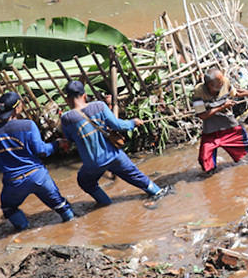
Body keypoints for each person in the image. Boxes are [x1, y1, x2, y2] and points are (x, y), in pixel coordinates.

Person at [60, 80, 169, 208]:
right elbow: (117, 125)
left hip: (92, 164)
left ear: (67, 99)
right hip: (113, 155)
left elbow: (70, 139)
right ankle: (157, 192)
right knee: (135, 175)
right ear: (84, 96)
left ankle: (105, 203)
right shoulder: (99, 106)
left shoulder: (66, 118)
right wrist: (133, 123)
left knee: (85, 182)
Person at [0, 91, 74, 231]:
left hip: (14, 181)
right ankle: (74, 227)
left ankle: (23, 230)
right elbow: (41, 151)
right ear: (17, 109)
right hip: (38, 176)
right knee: (61, 206)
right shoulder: (28, 125)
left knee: (8, 208)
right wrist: (57, 143)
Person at [192, 66, 248, 173]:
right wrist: (221, 107)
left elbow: (236, 93)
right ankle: (211, 179)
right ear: (211, 85)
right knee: (204, 159)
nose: (223, 82)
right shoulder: (199, 92)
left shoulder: (225, 82)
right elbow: (202, 115)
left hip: (228, 125)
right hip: (210, 129)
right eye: (220, 82)